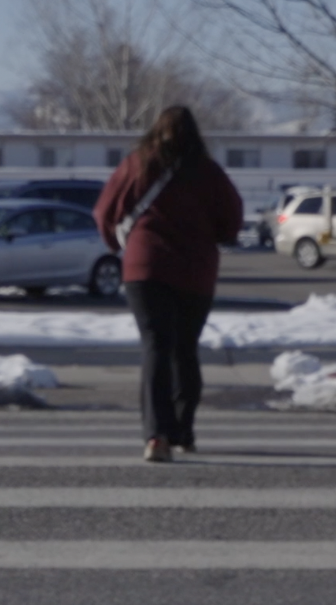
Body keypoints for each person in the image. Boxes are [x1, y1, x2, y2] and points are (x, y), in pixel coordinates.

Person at [95, 105, 244, 463]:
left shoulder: (137, 164)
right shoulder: (207, 172)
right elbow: (232, 217)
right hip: (196, 271)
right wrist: (214, 236)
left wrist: (116, 244)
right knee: (186, 350)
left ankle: (156, 435)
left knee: (156, 348)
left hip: (145, 269)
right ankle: (183, 432)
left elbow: (104, 211)